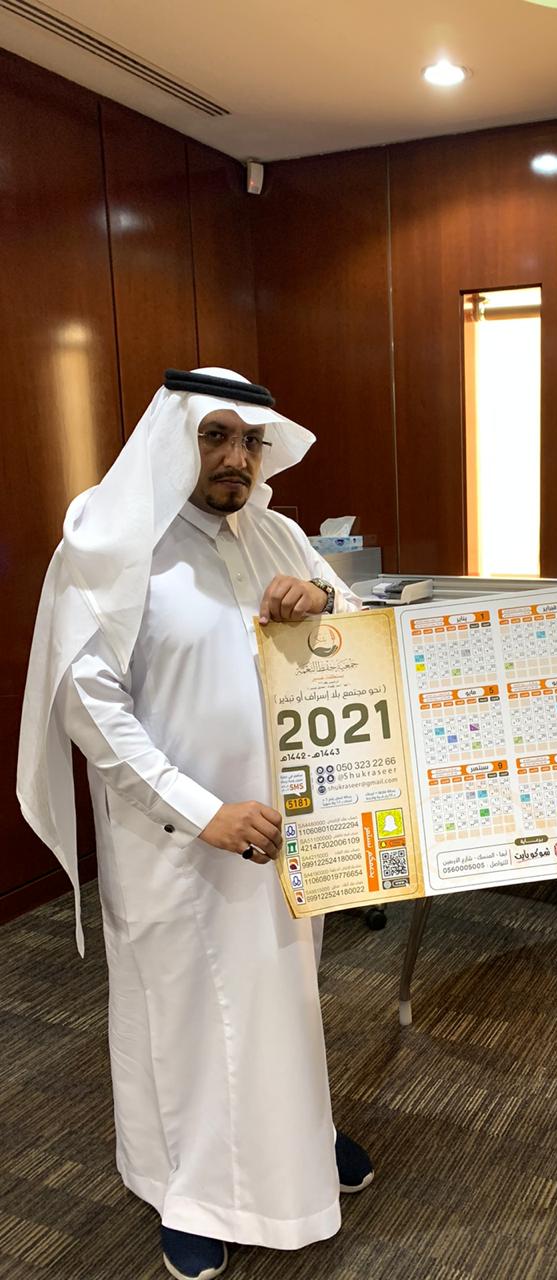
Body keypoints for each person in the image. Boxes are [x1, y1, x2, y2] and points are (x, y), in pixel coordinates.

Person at [18, 368, 373, 1280]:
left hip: (284, 830)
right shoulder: (111, 543)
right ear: (175, 437)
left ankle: (300, 1133)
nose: (235, 458)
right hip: (173, 843)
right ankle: (189, 1192)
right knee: (184, 1019)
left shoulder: (279, 533)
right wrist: (200, 810)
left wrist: (325, 600)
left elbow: (362, 625)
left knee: (285, 996)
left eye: (251, 442)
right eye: (215, 436)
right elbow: (90, 707)